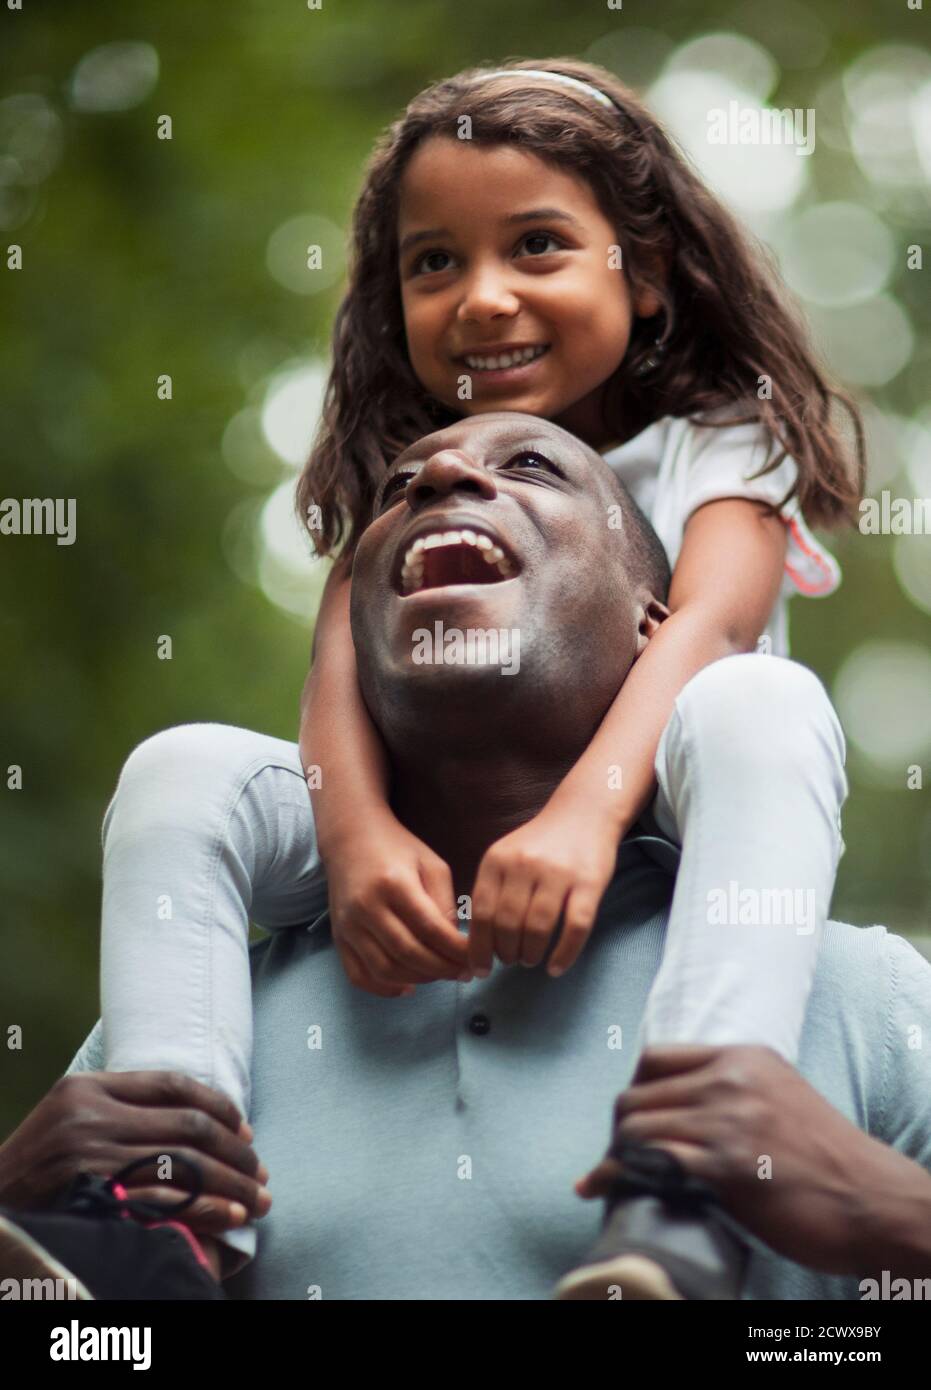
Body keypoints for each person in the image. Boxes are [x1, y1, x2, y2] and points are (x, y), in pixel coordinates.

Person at [93, 58, 861, 1293]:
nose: (484, 299)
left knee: (761, 706)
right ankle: (161, 1205)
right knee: (179, 768)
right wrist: (352, 841)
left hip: (663, 802)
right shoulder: (419, 469)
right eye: (434, 262)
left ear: (648, 270)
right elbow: (334, 673)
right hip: (437, 823)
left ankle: (686, 1176)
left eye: (539, 246)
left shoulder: (716, 440)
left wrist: (583, 812)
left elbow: (710, 627)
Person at [1, 414, 928, 1302]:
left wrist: (890, 1214)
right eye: (399, 488)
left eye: (532, 468)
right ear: (353, 655)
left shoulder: (863, 1000)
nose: (440, 480)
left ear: (656, 637)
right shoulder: (187, 1013)